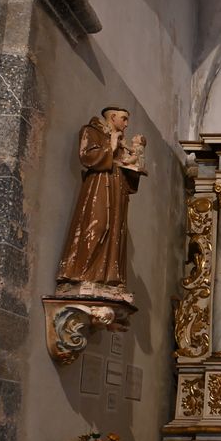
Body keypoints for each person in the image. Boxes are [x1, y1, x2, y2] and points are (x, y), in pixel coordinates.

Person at [56, 106, 145, 301]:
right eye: (124, 119)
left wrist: (132, 162)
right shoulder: (91, 131)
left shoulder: (121, 140)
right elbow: (87, 156)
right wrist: (110, 147)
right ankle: (80, 275)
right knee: (95, 226)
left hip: (116, 189)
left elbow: (125, 163)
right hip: (99, 187)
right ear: (112, 117)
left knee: (115, 232)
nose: (126, 124)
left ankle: (107, 280)